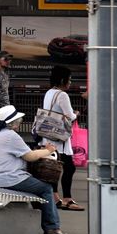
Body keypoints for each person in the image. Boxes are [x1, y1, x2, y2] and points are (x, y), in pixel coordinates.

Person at [0, 105, 69, 234]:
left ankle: (43, 222)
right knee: (46, 188)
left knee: (37, 188)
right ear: (13, 122)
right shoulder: (11, 136)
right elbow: (30, 156)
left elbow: (24, 153)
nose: (20, 122)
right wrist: (49, 150)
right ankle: (52, 227)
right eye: (18, 120)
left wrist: (42, 151)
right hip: (7, 178)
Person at [39, 65, 83, 211]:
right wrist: (76, 114)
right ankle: (67, 199)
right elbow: (69, 116)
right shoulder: (62, 95)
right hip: (59, 138)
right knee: (68, 168)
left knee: (53, 168)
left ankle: (56, 197)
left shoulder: (49, 93)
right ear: (63, 79)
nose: (70, 82)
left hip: (48, 136)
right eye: (69, 79)